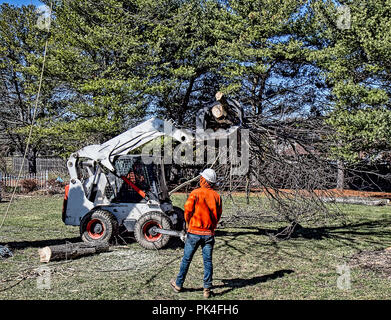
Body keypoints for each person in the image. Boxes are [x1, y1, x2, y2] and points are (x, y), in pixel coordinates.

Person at [170, 168, 222, 298]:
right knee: (208, 261)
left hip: (194, 233)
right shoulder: (217, 196)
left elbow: (187, 211)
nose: (200, 179)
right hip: (209, 234)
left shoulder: (195, 193)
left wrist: (188, 225)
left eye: (201, 178)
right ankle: (207, 290)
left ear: (204, 180)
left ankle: (178, 284)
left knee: (186, 259)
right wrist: (212, 228)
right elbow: (218, 215)